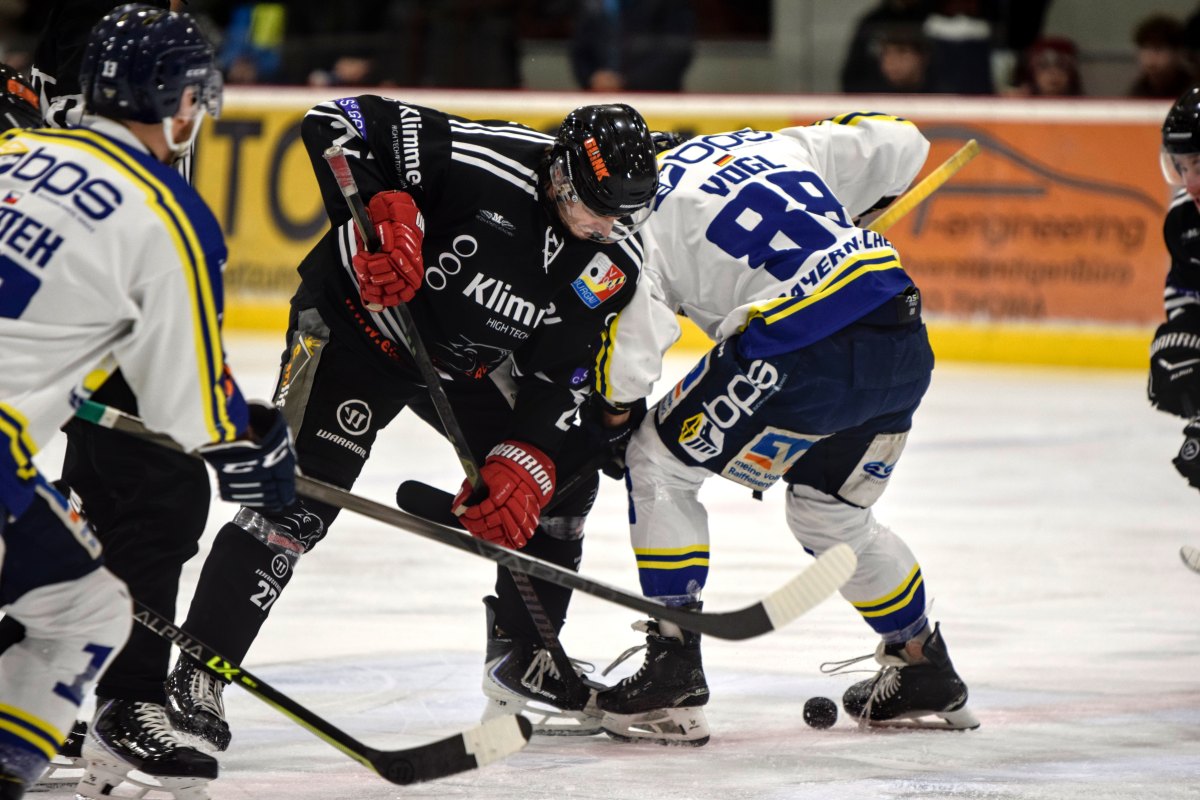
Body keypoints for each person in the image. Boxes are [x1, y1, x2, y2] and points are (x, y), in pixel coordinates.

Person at [161, 97, 658, 745]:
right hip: (356, 328)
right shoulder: (482, 162)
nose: (607, 227)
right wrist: (384, 212)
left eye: (625, 212)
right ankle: (200, 668)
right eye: (598, 207)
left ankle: (524, 656)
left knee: (564, 481)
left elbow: (561, 371)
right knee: (299, 502)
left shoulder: (610, 262)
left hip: (461, 361)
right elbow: (334, 121)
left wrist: (527, 460)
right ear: (561, 175)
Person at [589, 114, 979, 745]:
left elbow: (635, 350)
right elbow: (905, 143)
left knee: (656, 461)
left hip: (799, 345)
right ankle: (923, 665)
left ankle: (673, 666)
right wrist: (851, 214)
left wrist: (613, 419)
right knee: (830, 512)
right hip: (901, 338)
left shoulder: (638, 219)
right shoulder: (769, 143)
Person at [0, 5, 298, 798]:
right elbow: (187, 405)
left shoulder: (11, 149)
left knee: (75, 581)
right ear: (181, 103)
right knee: (87, 612)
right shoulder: (167, 212)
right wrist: (251, 445)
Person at [1150, 88, 1200, 496]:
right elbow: (1184, 291)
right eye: (1181, 167)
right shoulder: (1184, 218)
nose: (1191, 182)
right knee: (1174, 352)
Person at [570, 0, 695, 92]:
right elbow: (580, 49)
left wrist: (625, 81)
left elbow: (677, 50)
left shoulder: (671, 4)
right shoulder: (594, 5)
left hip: (656, 98)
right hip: (600, 95)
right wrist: (592, 77)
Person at [1128, 14, 1196, 99]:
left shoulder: (1192, 91)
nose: (1151, 57)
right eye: (1146, 48)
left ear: (1177, 52)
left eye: (1159, 48)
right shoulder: (1138, 91)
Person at [1009, 36, 1084, 97]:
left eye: (1062, 66)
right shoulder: (1018, 104)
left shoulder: (1085, 107)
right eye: (1044, 66)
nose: (1054, 73)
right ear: (1032, 72)